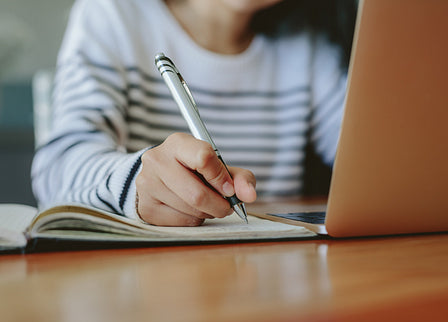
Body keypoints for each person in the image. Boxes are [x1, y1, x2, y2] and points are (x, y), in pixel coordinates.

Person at [31, 0, 357, 226]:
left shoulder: (310, 44)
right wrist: (136, 182)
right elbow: (55, 172)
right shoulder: (115, 15)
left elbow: (373, 164)